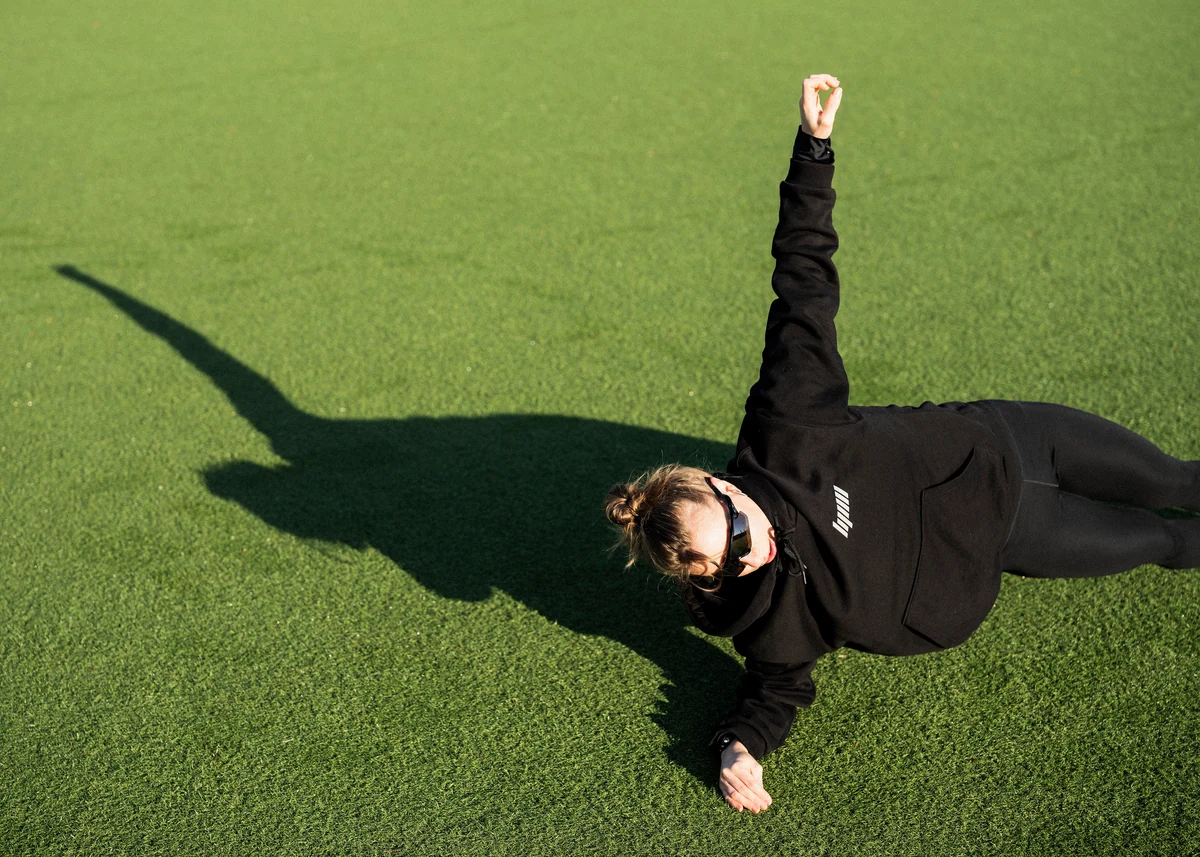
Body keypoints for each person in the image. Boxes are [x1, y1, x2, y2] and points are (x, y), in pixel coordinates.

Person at [604, 73, 1200, 814]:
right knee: (1165, 542)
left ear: (723, 487)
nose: (748, 556)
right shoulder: (766, 610)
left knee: (1177, 479)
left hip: (1013, 436)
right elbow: (776, 688)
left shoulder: (790, 424)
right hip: (1013, 534)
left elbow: (803, 288)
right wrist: (739, 746)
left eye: (737, 534)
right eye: (727, 565)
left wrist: (813, 150)